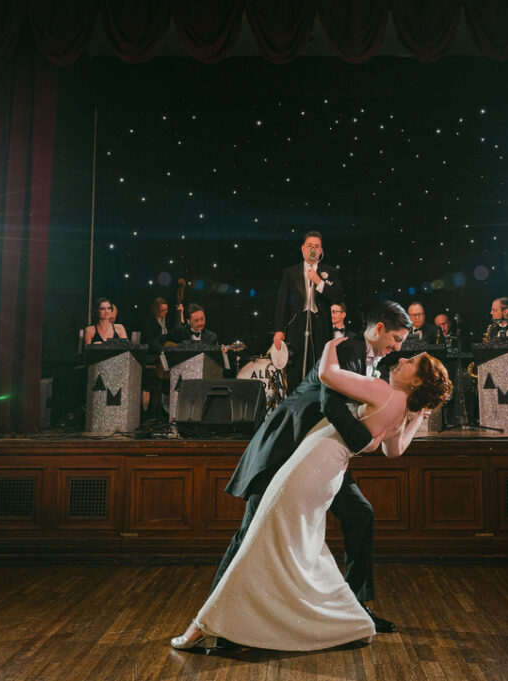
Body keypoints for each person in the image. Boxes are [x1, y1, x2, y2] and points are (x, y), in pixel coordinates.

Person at [171, 329, 452, 652]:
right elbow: (395, 451)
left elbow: (326, 375)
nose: (402, 356)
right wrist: (419, 415)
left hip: (308, 467)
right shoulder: (402, 409)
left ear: (417, 381)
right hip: (327, 475)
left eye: (412, 360)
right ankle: (339, 617)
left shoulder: (381, 390)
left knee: (263, 540)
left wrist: (331, 344)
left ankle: (205, 626)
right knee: (297, 546)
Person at [208, 301, 412, 641]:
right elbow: (329, 404)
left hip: (317, 455)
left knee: (360, 513)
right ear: (378, 329)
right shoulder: (346, 349)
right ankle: (217, 620)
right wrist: (364, 442)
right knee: (250, 531)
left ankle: (356, 607)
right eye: (396, 338)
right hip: (285, 448)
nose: (398, 347)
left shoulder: (367, 362)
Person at [273, 231, 342, 392]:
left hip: (321, 325)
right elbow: (281, 303)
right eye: (309, 246)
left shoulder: (330, 272)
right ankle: (295, 408)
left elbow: (337, 296)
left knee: (319, 367)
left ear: (321, 250)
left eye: (316, 246)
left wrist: (318, 281)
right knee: (296, 369)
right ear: (303, 249)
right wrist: (278, 329)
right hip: (297, 324)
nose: (313, 249)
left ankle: (317, 408)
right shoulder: (290, 273)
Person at [148, 303, 217, 349]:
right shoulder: (180, 332)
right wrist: (164, 352)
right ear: (188, 321)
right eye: (196, 320)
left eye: (202, 319)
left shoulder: (212, 337)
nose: (200, 323)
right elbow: (153, 342)